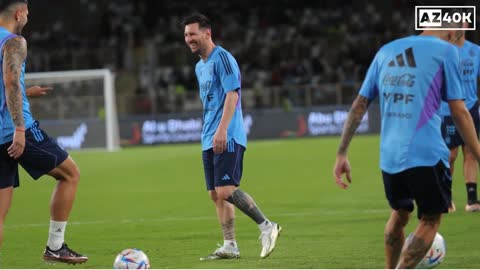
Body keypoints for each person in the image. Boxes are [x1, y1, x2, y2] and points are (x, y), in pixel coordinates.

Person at [333, 26, 480, 268]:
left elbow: (360, 105)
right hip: (427, 154)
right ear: (452, 31)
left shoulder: (386, 51)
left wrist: (341, 153)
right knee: (431, 219)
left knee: (400, 213)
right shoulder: (447, 52)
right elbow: (459, 111)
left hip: (390, 156)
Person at [183, 13, 281, 260]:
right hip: (209, 136)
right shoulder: (199, 66)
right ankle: (230, 245)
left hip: (227, 134)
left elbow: (232, 94)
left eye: (192, 34)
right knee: (215, 194)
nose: (188, 39)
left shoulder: (223, 59)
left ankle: (267, 226)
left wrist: (222, 129)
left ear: (207, 33)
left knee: (226, 190)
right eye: (186, 35)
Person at [0, 0, 87, 265]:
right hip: (15, 130)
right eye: (27, 10)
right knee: (70, 174)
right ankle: (55, 246)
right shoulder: (14, 41)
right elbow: (11, 81)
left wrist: (27, 92)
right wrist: (18, 129)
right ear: (18, 13)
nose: (28, 15)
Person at [439, 25, 480, 212]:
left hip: (470, 107)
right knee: (451, 155)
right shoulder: (443, 51)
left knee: (470, 152)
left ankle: (472, 200)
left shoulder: (476, 51)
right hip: (448, 109)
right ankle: (446, 200)